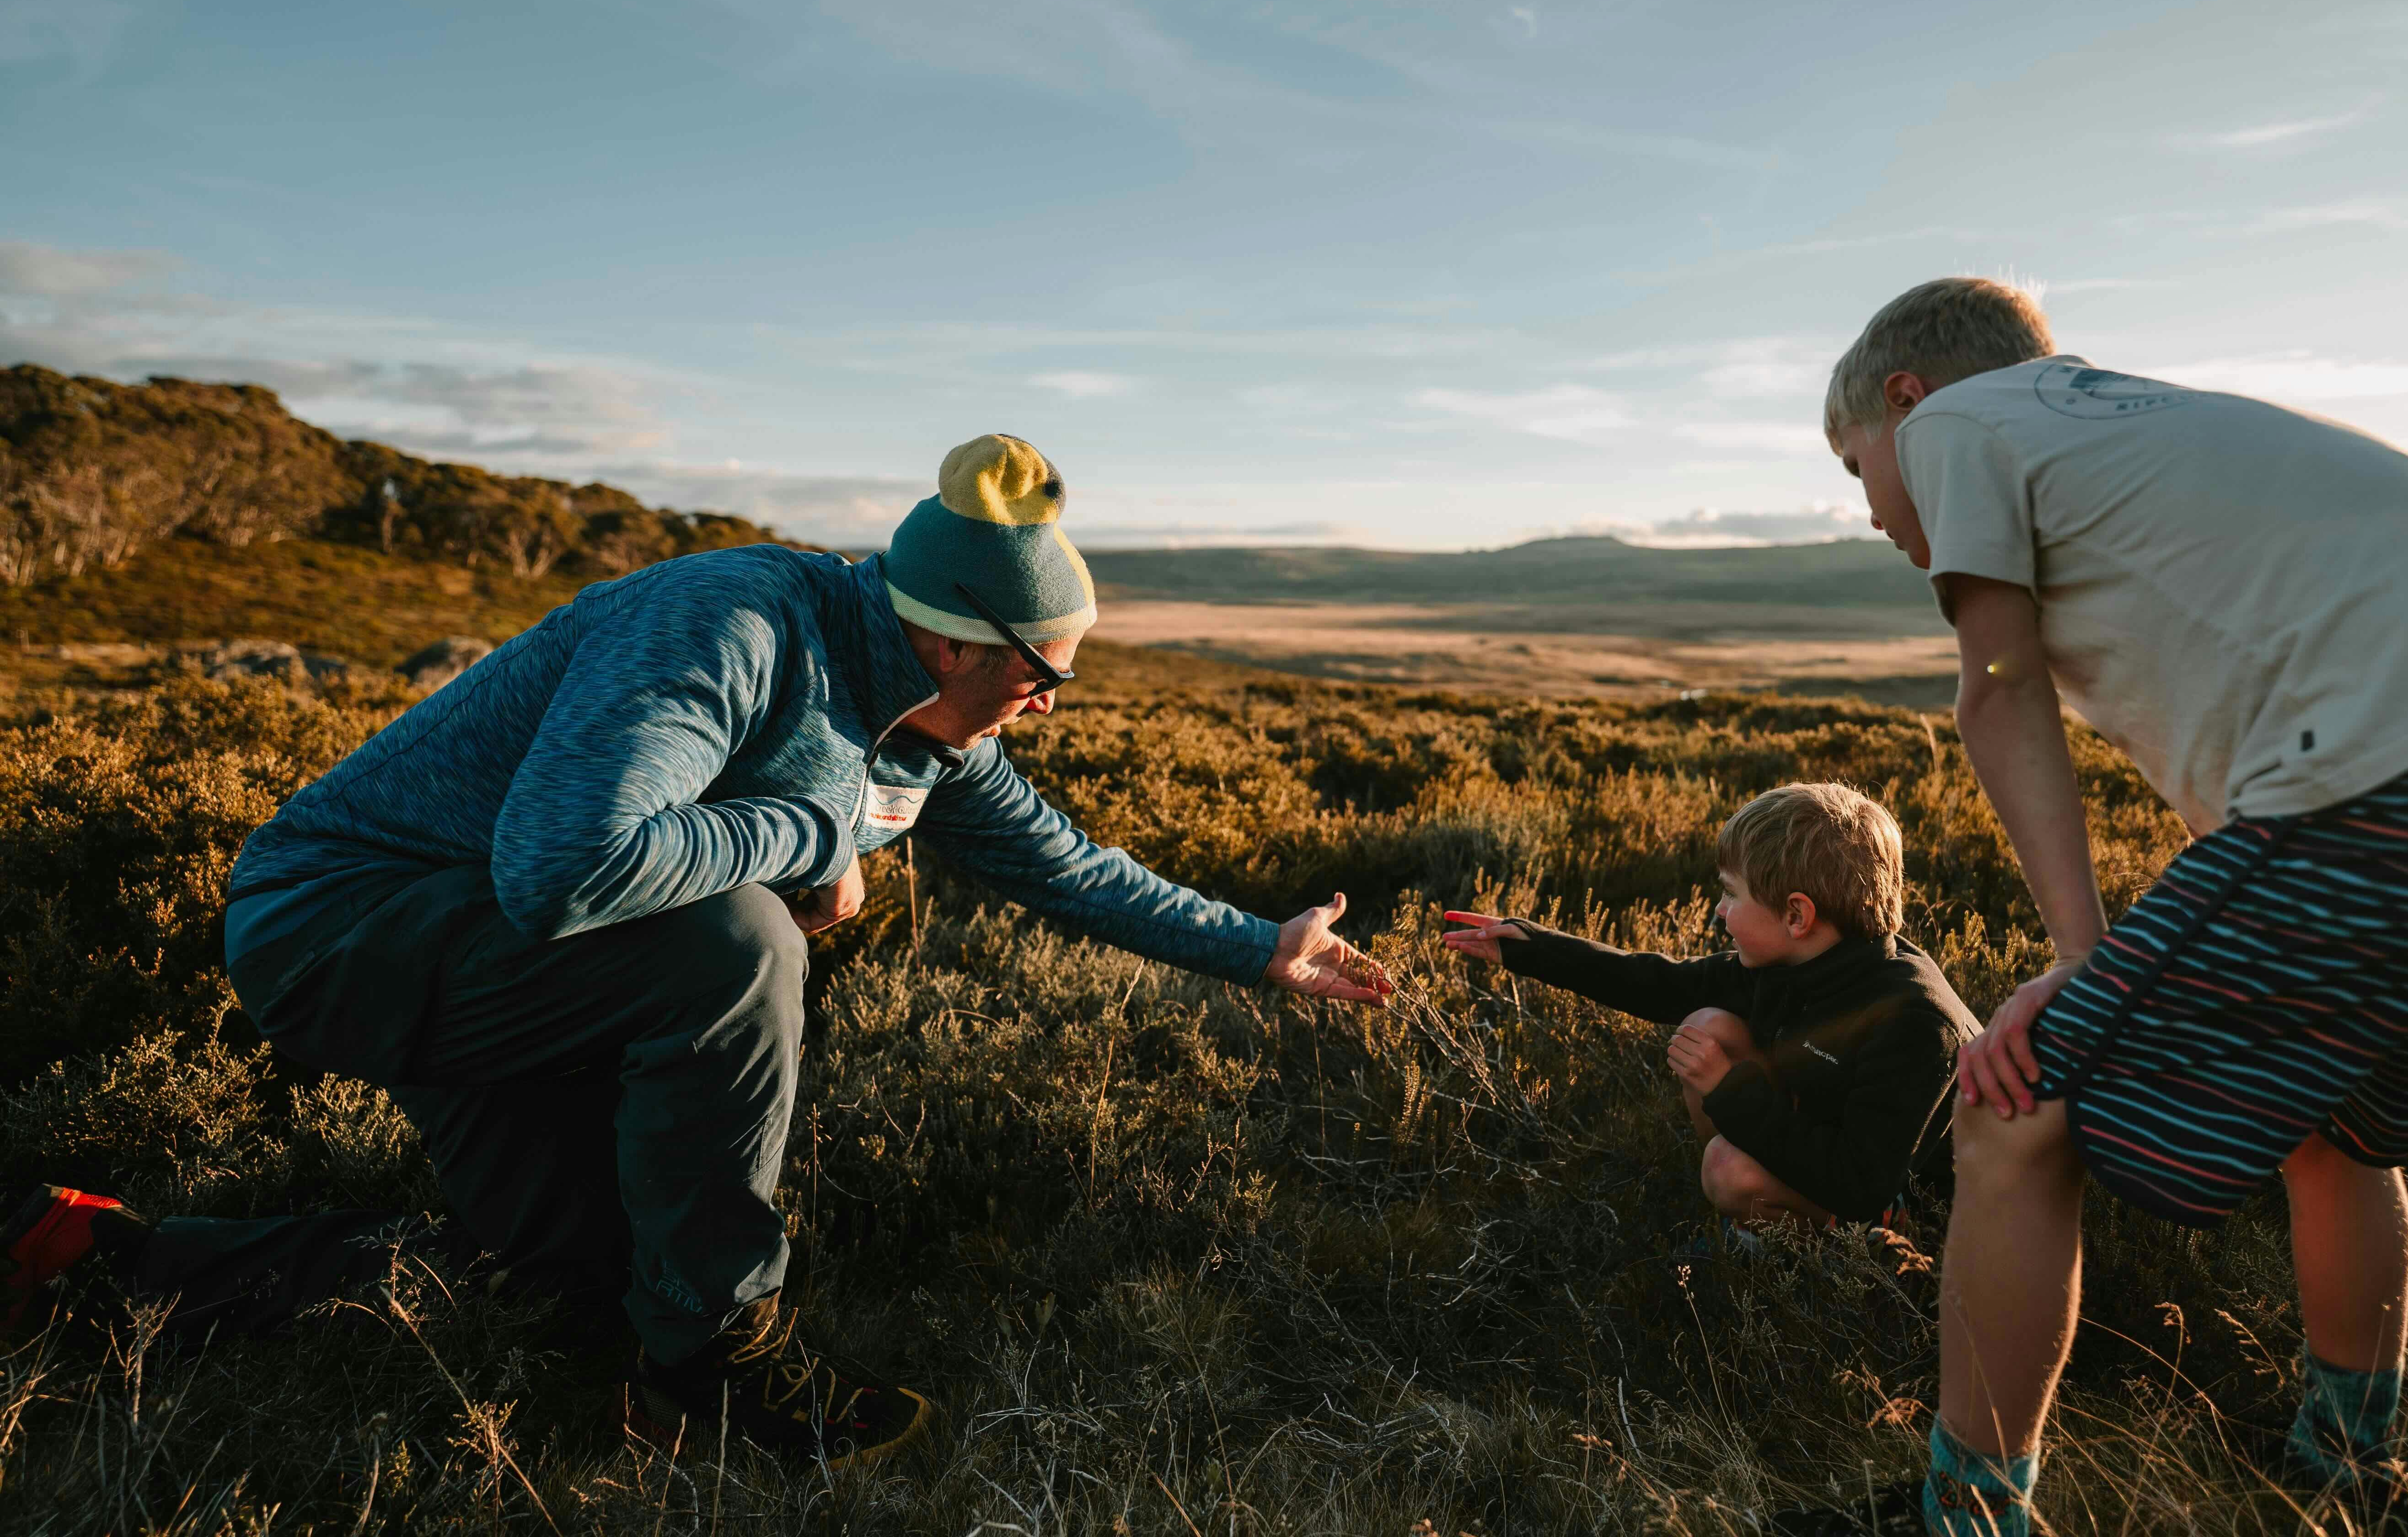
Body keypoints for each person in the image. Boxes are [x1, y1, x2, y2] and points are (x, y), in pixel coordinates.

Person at [2, 433, 1393, 1465]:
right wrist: (804, 838)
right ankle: (715, 1376)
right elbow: (564, 870)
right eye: (1045, 678)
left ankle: (102, 1264)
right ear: (959, 643)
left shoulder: (918, 719)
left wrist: (1258, 946)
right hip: (343, 931)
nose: (1045, 709)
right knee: (735, 940)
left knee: (553, 1283)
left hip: (520, 976)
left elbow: (1058, 863)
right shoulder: (728, 627)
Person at [1812, 276, 2408, 1537]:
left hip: (2406, 781)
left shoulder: (1964, 425)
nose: (1868, 508)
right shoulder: (2154, 435)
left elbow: (1996, 687)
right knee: (2334, 1130)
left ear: (1905, 403)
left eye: (1854, 464)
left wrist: (2078, 973)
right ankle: (2347, 1493)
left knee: (2012, 1103)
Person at [1437, 782, 1975, 1233]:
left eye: (1732, 895)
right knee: (1708, 1028)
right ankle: (1748, 1221)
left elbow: (1860, 1183)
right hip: (1837, 1157)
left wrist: (1730, 1091)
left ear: (1797, 915)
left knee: (1727, 1167)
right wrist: (1531, 948)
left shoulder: (1916, 1023)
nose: (1720, 911)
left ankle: (1808, 1264)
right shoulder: (1793, 963)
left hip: (1920, 1211)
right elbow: (1657, 983)